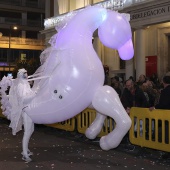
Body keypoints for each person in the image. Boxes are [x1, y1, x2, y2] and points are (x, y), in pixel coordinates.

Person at [8, 68, 37, 162]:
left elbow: (29, 93)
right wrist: (35, 94)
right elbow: (23, 99)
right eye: (26, 73)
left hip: (30, 110)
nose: (27, 75)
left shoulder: (25, 84)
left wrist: (34, 91)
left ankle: (26, 150)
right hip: (26, 110)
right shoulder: (20, 85)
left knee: (31, 130)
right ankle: (24, 153)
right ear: (22, 75)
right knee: (27, 132)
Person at [149, 75, 170, 159]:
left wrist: (155, 107)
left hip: (166, 116)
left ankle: (166, 152)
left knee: (165, 134)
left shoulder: (165, 91)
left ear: (163, 82)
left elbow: (163, 103)